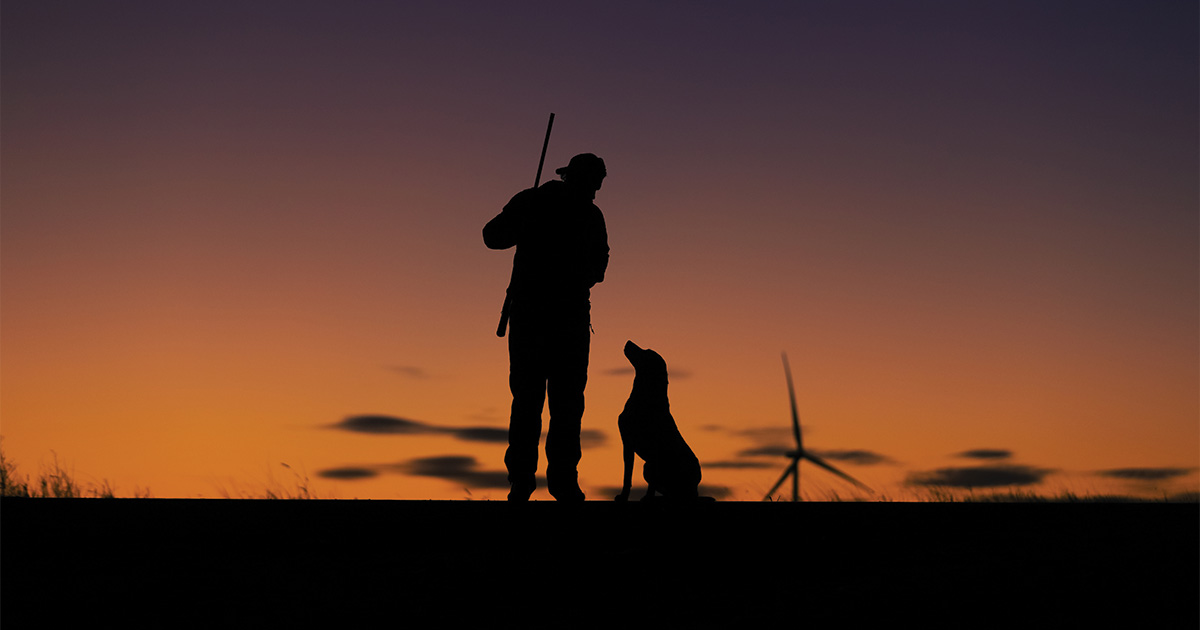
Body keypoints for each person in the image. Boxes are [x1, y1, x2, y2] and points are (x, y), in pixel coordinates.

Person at [483, 153, 609, 501]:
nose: (595, 191)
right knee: (542, 402)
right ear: (577, 178)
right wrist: (522, 219)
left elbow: (599, 264)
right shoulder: (537, 202)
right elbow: (492, 236)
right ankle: (534, 480)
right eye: (593, 184)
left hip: (558, 319)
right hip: (541, 318)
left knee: (554, 403)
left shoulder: (579, 212)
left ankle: (550, 481)